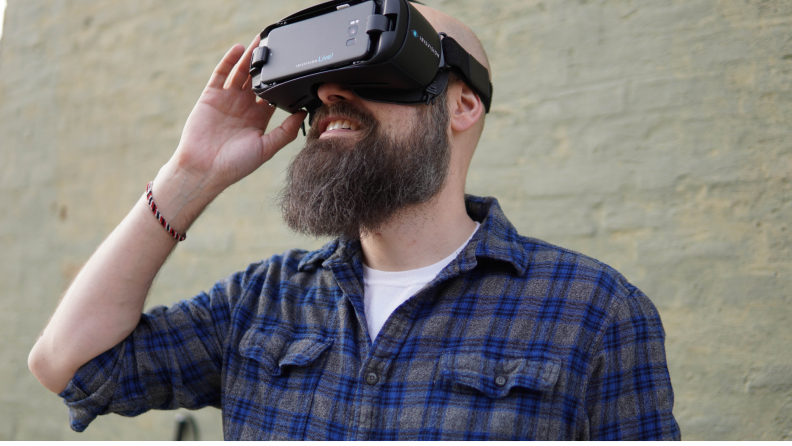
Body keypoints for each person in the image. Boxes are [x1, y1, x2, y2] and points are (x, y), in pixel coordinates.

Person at [28, 3, 680, 441]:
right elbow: (68, 363)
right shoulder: (262, 302)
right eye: (318, 90)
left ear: (464, 105)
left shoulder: (594, 312)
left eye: (372, 69)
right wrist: (192, 171)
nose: (331, 96)